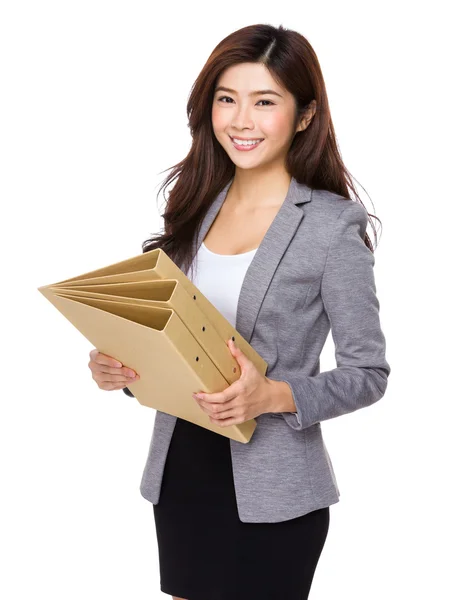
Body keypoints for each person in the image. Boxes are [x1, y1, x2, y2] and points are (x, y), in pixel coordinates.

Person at [88, 23, 391, 600]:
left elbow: (368, 374)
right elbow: (175, 342)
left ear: (305, 115)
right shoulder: (194, 206)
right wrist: (122, 369)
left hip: (274, 491)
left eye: (265, 101)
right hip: (181, 475)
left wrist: (274, 395)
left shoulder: (331, 226)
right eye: (227, 99)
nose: (241, 120)